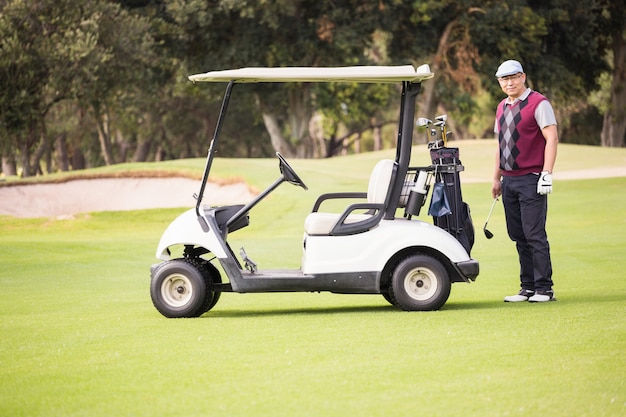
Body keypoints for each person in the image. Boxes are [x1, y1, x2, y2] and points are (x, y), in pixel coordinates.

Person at [492, 59, 559, 303]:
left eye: (513, 77)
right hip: (509, 180)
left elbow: (551, 138)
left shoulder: (539, 103)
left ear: (523, 77)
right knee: (518, 235)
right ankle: (527, 287)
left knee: (534, 234)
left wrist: (546, 173)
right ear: (500, 82)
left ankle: (544, 288)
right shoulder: (501, 107)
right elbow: (501, 146)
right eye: (504, 79)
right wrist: (496, 178)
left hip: (531, 179)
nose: (509, 82)